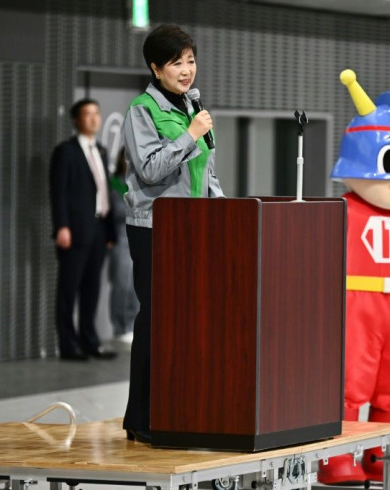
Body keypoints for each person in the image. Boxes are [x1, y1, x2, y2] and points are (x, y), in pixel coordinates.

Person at [122, 24, 223, 443]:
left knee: (188, 322)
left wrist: (224, 213)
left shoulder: (190, 107)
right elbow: (150, 169)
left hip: (193, 227)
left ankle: (179, 407)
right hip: (155, 228)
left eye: (191, 61)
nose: (186, 71)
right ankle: (141, 418)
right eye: (176, 63)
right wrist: (190, 135)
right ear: (155, 68)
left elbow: (206, 170)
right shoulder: (142, 110)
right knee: (156, 320)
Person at [50, 99, 118, 361]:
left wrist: (109, 232)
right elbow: (59, 194)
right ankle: (69, 346)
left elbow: (105, 192)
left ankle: (90, 342)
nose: (93, 119)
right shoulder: (66, 152)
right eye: (87, 114)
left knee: (92, 289)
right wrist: (62, 226)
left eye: (96, 114)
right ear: (76, 120)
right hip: (75, 230)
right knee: (69, 290)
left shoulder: (100, 150)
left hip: (99, 229)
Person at [108, 150, 138, 344]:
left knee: (136, 286)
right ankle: (120, 326)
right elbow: (118, 210)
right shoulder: (114, 184)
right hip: (120, 237)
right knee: (121, 283)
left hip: (136, 236)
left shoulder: (137, 183)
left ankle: (130, 324)